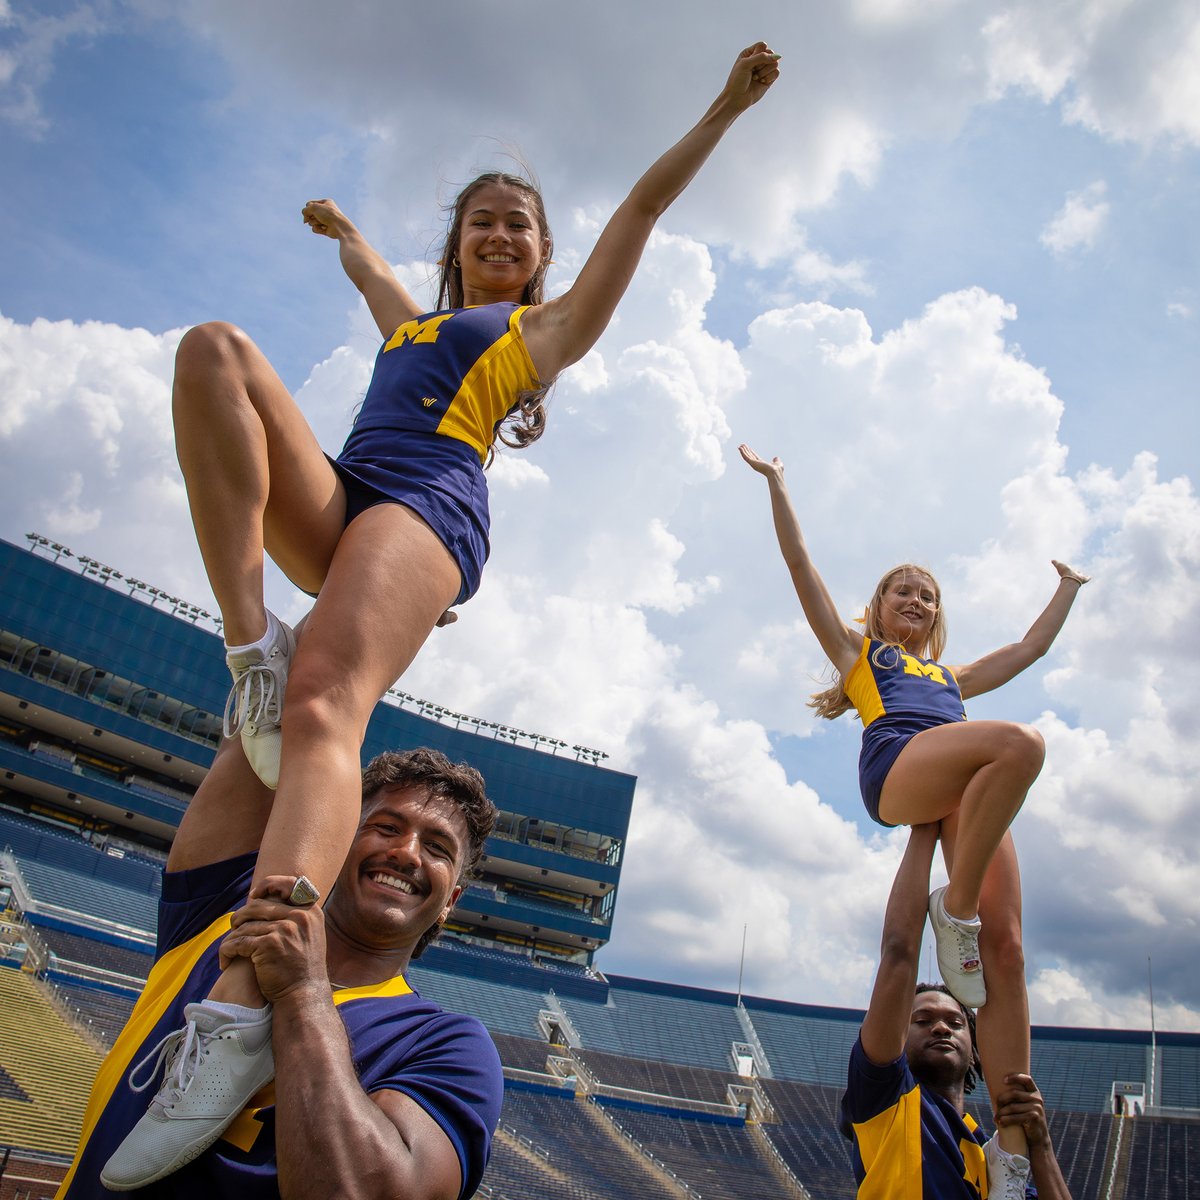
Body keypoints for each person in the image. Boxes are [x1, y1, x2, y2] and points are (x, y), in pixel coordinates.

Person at [103, 42, 782, 1184]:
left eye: (522, 223)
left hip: (426, 508)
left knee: (328, 709)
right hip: (350, 500)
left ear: (544, 253)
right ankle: (245, 643)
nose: (503, 234)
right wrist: (340, 233)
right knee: (212, 352)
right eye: (483, 221)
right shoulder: (412, 324)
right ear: (457, 245)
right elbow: (375, 277)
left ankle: (237, 1004)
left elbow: (646, 204)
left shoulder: (539, 335)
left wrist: (724, 106)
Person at [740, 444, 1087, 1175]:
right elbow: (802, 570)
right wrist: (777, 484)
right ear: (880, 606)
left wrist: (1069, 589)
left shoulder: (953, 677)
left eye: (926, 595)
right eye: (902, 590)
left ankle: (1014, 1151)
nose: (915, 600)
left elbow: (1028, 647)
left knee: (1010, 952)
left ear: (936, 617)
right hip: (899, 770)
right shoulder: (862, 654)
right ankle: (954, 909)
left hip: (964, 787)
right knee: (1021, 746)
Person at [61, 743, 501, 1196]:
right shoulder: (228, 919)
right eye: (386, 827)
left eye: (437, 849)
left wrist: (303, 993)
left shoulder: (448, 1046)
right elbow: (260, 735)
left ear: (450, 901)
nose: (408, 854)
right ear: (340, 838)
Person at [840, 823, 1073, 1199]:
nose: (941, 1028)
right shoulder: (885, 1103)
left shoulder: (991, 1155)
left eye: (955, 1021)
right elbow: (899, 953)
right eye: (922, 1020)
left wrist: (1041, 1147)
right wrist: (924, 823)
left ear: (976, 1049)